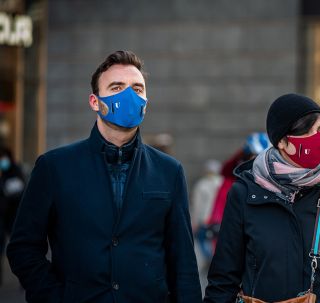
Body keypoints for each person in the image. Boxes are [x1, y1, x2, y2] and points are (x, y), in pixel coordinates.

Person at [7, 51, 202, 302]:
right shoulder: (54, 167)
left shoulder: (169, 171)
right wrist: (56, 297)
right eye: (117, 86)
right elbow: (23, 248)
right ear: (94, 101)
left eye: (137, 88)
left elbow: (183, 261)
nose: (129, 95)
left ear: (146, 101)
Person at [203, 93, 320, 302]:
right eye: (307, 131)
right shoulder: (244, 192)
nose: (318, 138)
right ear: (282, 141)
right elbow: (224, 278)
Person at [0, 146, 25, 286]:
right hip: (2, 217)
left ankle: (24, 280)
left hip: (13, 215)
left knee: (18, 247)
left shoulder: (14, 169)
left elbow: (18, 187)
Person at [190, 159, 222, 270]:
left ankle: (210, 258)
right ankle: (217, 259)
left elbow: (197, 205)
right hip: (220, 218)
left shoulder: (201, 185)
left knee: (202, 239)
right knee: (218, 241)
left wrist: (195, 221)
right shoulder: (223, 183)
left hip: (205, 219)